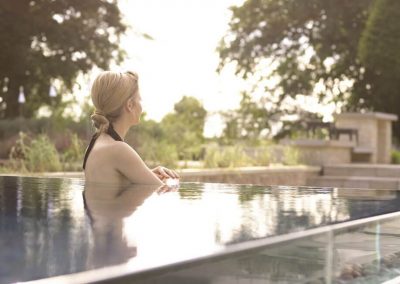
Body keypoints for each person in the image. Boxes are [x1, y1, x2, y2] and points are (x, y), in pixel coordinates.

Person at [83, 71, 179, 185]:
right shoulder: (118, 149)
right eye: (140, 99)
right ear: (130, 105)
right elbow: (161, 189)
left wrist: (148, 173)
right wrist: (171, 181)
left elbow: (112, 186)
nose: (142, 106)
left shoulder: (95, 143)